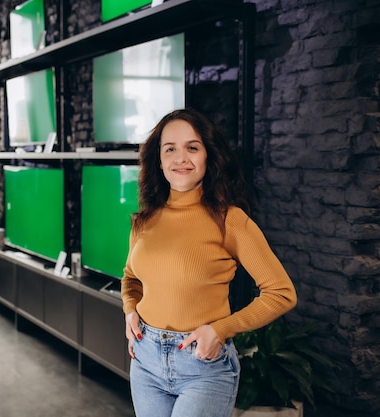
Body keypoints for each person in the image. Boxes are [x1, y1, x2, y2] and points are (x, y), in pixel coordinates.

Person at [121, 108, 297, 417]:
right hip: (145, 361)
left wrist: (220, 330)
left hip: (202, 365)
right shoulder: (144, 221)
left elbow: (281, 293)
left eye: (192, 147)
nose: (181, 158)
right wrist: (129, 310)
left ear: (208, 156)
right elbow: (130, 278)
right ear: (159, 161)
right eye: (170, 149)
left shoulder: (230, 220)